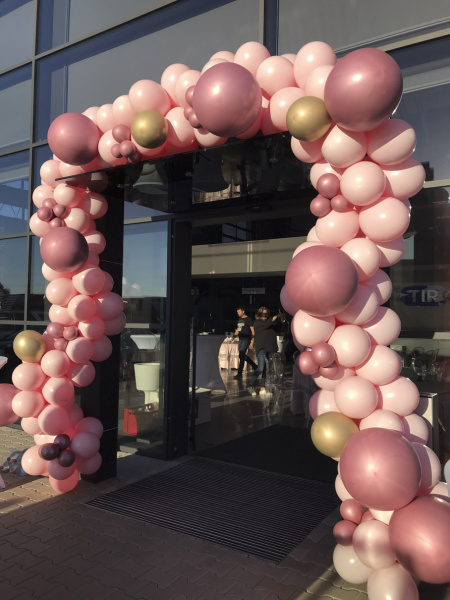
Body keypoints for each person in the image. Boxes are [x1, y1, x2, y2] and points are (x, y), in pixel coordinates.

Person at [247, 306, 283, 397]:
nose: (265, 315)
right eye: (264, 313)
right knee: (260, 368)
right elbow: (266, 324)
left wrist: (280, 320)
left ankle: (263, 387)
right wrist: (274, 317)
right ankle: (250, 385)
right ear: (260, 313)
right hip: (261, 348)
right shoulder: (257, 322)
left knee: (266, 370)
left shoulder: (270, 322)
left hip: (271, 348)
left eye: (267, 313)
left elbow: (278, 328)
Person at [229, 306, 257, 379]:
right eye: (237, 312)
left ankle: (240, 373)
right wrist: (232, 338)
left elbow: (253, 331)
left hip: (246, 339)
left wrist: (252, 341)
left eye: (239, 312)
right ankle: (254, 366)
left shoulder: (249, 320)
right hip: (240, 339)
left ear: (243, 311)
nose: (238, 313)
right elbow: (237, 330)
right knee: (241, 356)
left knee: (241, 355)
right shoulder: (240, 320)